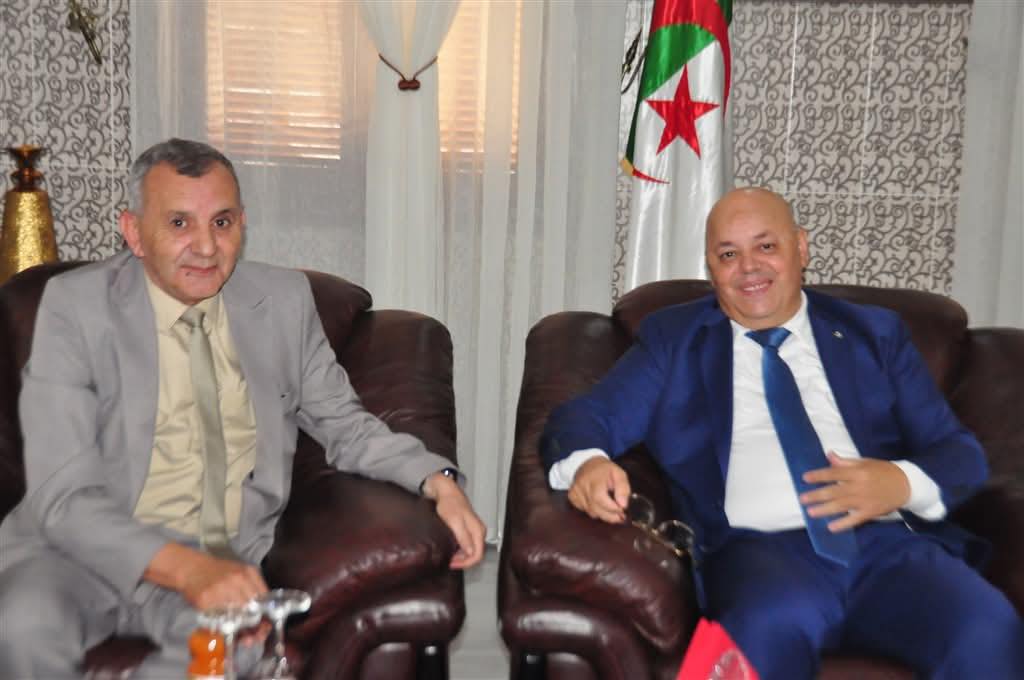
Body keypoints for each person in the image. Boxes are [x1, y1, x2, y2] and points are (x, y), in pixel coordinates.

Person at [0, 138, 486, 678]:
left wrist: (437, 480)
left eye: (222, 222)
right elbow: (63, 496)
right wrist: (187, 570)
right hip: (77, 554)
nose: (206, 247)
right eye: (179, 223)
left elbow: (344, 424)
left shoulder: (282, 303)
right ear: (134, 232)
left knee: (231, 644)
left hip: (220, 558)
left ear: (243, 224)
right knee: (21, 624)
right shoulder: (75, 307)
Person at [542, 187, 1023, 679]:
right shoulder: (674, 339)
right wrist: (587, 463)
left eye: (766, 246)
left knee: (988, 628)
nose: (749, 267)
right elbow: (584, 417)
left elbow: (958, 453)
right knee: (764, 628)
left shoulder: (875, 333)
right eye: (729, 254)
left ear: (801, 247)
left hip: (890, 548)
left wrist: (899, 483)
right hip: (761, 555)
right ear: (711, 268)